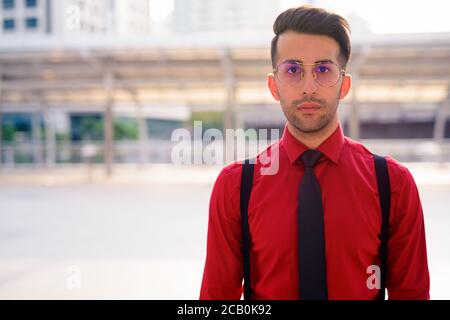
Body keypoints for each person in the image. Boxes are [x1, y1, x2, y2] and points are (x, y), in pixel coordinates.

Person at [200, 5, 430, 300]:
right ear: (274, 85)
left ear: (344, 84)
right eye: (293, 70)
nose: (309, 87)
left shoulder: (394, 185)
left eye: (323, 70)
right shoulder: (234, 187)